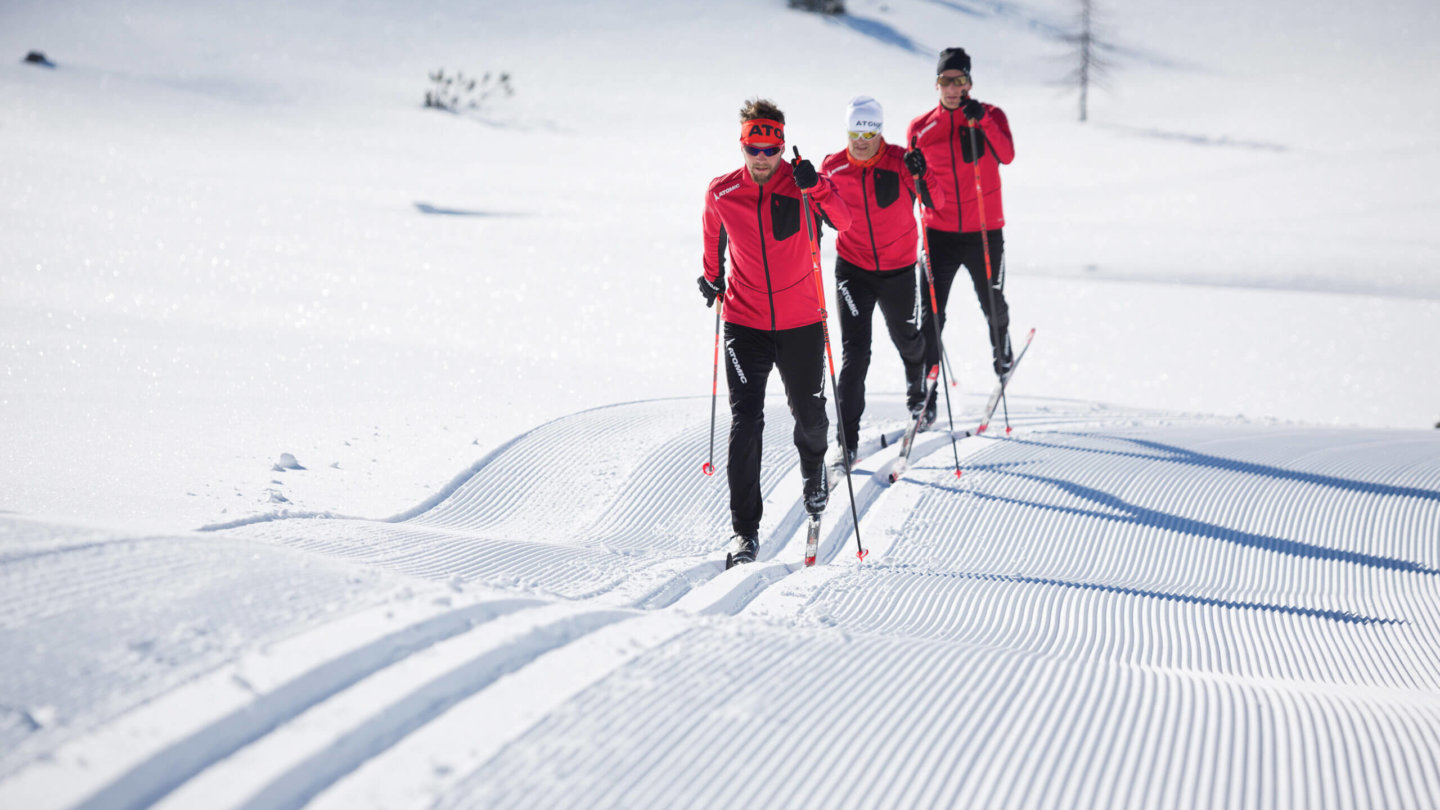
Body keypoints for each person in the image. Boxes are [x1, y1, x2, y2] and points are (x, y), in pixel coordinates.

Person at [698, 98, 853, 568]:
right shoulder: (722, 193)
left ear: (782, 144)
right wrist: (711, 277)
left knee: (811, 416)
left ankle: (813, 471)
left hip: (802, 321)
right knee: (746, 423)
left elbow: (846, 223)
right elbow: (712, 240)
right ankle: (744, 533)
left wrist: (821, 187)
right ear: (743, 144)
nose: (763, 156)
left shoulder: (804, 185)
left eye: (771, 147)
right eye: (754, 146)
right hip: (744, 324)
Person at [819, 95, 945, 469]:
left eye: (870, 131)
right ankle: (846, 441)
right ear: (848, 130)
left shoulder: (901, 161)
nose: (862, 139)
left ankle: (918, 391)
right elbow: (819, 207)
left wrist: (925, 173)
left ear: (880, 131)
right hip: (852, 270)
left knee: (907, 337)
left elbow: (934, 201)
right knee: (855, 354)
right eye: (856, 130)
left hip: (899, 270)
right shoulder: (833, 166)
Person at [906, 47, 1016, 428]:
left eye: (960, 80)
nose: (952, 88)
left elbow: (1007, 154)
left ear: (970, 82)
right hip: (939, 233)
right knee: (931, 316)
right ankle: (927, 394)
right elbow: (918, 187)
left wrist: (982, 120)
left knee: (992, 302)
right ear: (936, 84)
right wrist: (915, 175)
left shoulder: (991, 115)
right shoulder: (920, 128)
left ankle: (1002, 353)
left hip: (985, 230)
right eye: (945, 81)